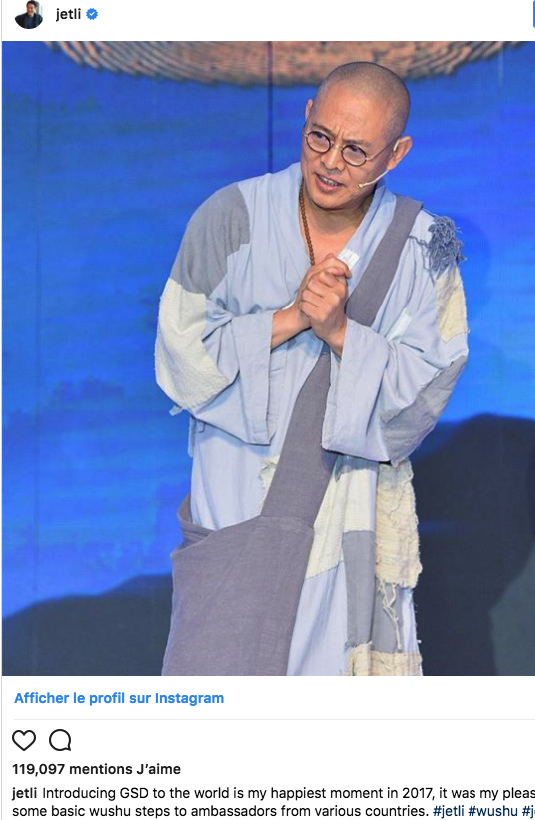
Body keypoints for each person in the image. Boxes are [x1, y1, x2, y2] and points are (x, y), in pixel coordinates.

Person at [155, 61, 470, 676]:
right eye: (320, 137)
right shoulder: (231, 215)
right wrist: (293, 317)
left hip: (345, 510)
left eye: (356, 151)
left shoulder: (424, 247)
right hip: (235, 504)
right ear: (305, 116)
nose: (330, 162)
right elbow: (180, 352)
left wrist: (341, 332)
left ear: (396, 154)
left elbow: (428, 388)